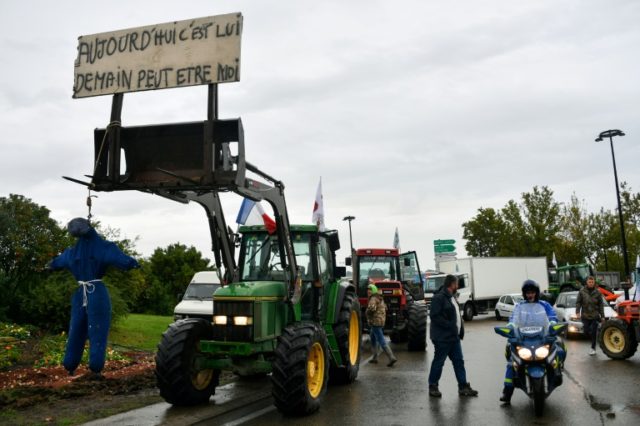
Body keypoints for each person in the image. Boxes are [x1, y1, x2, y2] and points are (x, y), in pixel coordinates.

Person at [48, 218, 139, 379]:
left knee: (76, 329)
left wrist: (51, 264)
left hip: (79, 292)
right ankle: (96, 368)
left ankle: (70, 366)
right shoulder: (104, 247)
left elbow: (57, 263)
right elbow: (120, 259)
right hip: (96, 291)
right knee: (98, 330)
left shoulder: (72, 252)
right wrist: (132, 263)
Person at [500, 279, 565, 404]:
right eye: (528, 292)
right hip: (524, 338)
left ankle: (557, 372)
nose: (530, 295)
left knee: (559, 349)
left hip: (541, 336)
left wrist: (552, 323)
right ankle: (507, 393)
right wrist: (510, 326)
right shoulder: (519, 306)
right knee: (511, 363)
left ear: (537, 292)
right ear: (524, 294)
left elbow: (552, 316)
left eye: (532, 292)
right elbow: (514, 318)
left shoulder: (544, 304)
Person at [428, 274, 478, 397]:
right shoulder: (439, 298)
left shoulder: (451, 297)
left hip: (453, 338)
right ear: (452, 284)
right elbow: (434, 316)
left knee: (459, 362)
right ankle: (433, 386)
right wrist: (449, 325)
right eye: (456, 284)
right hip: (442, 338)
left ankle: (463, 387)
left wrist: (457, 329)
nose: (458, 286)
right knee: (439, 362)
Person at [366, 283, 397, 367]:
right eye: (368, 290)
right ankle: (375, 357)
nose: (368, 292)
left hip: (376, 322)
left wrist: (367, 312)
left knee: (381, 339)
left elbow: (372, 308)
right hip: (380, 321)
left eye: (370, 290)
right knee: (372, 337)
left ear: (374, 291)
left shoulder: (373, 298)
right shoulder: (380, 298)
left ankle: (391, 357)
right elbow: (385, 308)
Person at [576, 275, 605, 356]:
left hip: (595, 315)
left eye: (592, 282)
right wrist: (577, 312)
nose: (591, 283)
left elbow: (601, 305)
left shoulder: (598, 292)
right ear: (587, 282)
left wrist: (602, 316)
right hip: (585, 315)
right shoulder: (582, 291)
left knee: (593, 331)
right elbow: (578, 302)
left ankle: (593, 347)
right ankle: (593, 340)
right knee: (586, 331)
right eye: (589, 282)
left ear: (594, 282)